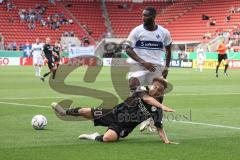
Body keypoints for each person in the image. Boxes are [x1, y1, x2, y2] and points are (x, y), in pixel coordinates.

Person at [52, 78, 177, 143]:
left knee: (107, 138)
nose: (156, 90)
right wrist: (162, 106)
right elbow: (147, 99)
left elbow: (160, 128)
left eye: (159, 89)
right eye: (155, 86)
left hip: (124, 126)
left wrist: (166, 141)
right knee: (85, 111)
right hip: (114, 113)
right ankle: (64, 112)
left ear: (161, 92)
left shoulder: (157, 110)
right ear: (151, 85)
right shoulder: (142, 90)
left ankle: (94, 136)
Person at [125, 7, 172, 132]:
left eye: (146, 16)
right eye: (143, 15)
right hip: (138, 65)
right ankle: (137, 117)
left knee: (159, 92)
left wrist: (166, 66)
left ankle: (155, 120)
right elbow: (127, 49)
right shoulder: (136, 31)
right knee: (134, 89)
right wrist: (143, 62)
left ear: (154, 17)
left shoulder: (164, 32)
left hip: (156, 66)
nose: (143, 18)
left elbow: (169, 50)